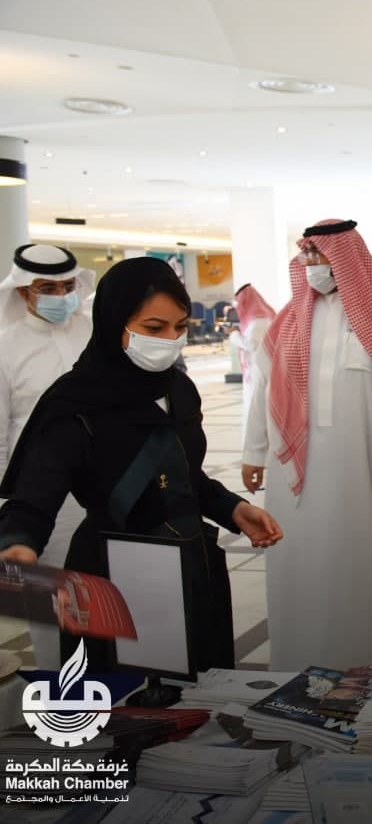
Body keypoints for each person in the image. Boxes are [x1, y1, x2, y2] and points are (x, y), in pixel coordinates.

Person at [0, 257, 282, 672]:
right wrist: (19, 546)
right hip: (111, 580)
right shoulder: (73, 403)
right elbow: (33, 498)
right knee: (127, 697)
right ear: (115, 323)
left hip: (191, 564)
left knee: (199, 688)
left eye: (180, 327)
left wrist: (233, 509)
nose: (170, 340)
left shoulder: (179, 388)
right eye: (154, 328)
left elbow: (184, 475)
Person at [241, 219, 372, 671]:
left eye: (321, 254)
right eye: (308, 254)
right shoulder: (287, 322)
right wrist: (253, 452)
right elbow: (263, 390)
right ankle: (300, 659)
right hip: (297, 479)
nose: (313, 263)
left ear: (347, 258)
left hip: (368, 470)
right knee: (302, 564)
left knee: (367, 561)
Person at [0, 244, 94, 669]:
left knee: (104, 588)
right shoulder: (6, 347)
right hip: (37, 495)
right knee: (49, 599)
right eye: (48, 288)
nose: (61, 296)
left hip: (100, 484)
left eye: (68, 286)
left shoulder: (93, 331)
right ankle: (57, 685)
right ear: (23, 291)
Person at [231, 283, 276, 411]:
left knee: (255, 408)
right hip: (260, 370)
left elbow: (252, 345)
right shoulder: (262, 316)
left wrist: (234, 335)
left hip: (257, 371)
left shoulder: (257, 321)